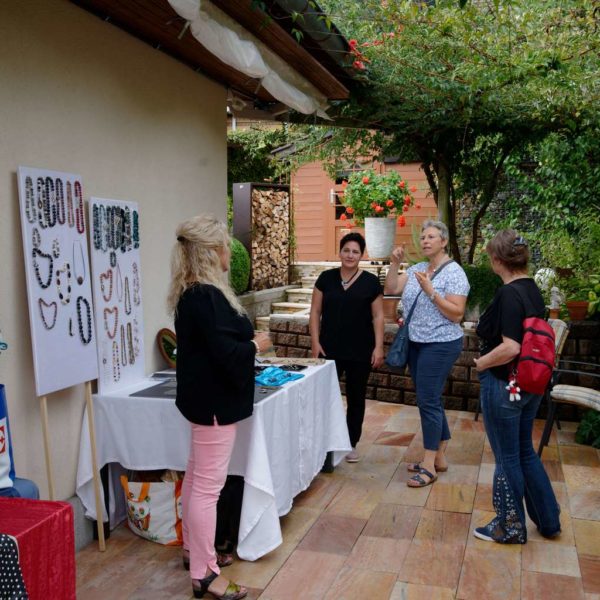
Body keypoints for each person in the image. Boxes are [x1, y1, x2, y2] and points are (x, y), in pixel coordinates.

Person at [167, 215, 271, 600]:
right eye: (226, 246)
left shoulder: (193, 293)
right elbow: (226, 354)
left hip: (203, 401)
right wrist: (256, 345)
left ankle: (194, 551)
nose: (230, 252)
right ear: (212, 252)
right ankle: (205, 573)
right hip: (214, 404)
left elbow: (213, 348)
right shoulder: (206, 297)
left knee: (197, 479)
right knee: (208, 487)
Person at [473, 229, 561, 543]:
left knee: (507, 457)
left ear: (498, 260)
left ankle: (509, 526)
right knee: (524, 451)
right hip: (529, 384)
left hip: (504, 385)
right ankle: (549, 521)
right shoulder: (531, 289)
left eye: (490, 257)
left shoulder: (509, 294)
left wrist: (481, 363)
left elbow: (511, 346)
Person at [385, 220, 469, 487]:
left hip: (441, 344)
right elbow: (391, 289)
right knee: (429, 399)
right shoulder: (418, 268)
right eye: (423, 237)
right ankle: (439, 457)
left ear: (443, 241)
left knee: (428, 400)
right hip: (415, 343)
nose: (425, 241)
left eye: (431, 236)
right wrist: (395, 264)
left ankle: (429, 464)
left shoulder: (454, 273)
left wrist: (431, 292)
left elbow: (457, 314)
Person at [309, 232, 384, 463]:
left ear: (361, 255)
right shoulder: (326, 278)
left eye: (355, 252)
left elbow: (378, 316)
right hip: (328, 349)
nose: (350, 255)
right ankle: (324, 441)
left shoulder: (370, 282)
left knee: (356, 398)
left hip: (360, 350)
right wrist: (315, 342)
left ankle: (351, 443)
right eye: (346, 250)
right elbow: (315, 312)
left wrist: (379, 347)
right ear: (340, 252)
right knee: (324, 397)